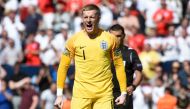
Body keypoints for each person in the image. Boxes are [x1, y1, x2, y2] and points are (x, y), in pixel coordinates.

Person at [54, 4, 127, 109]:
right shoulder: (73, 40)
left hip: (104, 95)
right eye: (85, 17)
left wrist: (123, 92)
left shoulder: (110, 39)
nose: (88, 20)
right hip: (81, 95)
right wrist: (59, 94)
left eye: (92, 17)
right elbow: (63, 66)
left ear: (98, 19)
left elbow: (119, 65)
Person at [109, 24, 143, 109]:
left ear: (123, 36)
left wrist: (133, 86)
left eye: (118, 36)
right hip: (105, 94)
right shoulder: (102, 53)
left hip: (123, 93)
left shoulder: (130, 53)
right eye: (112, 36)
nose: (115, 39)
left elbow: (139, 74)